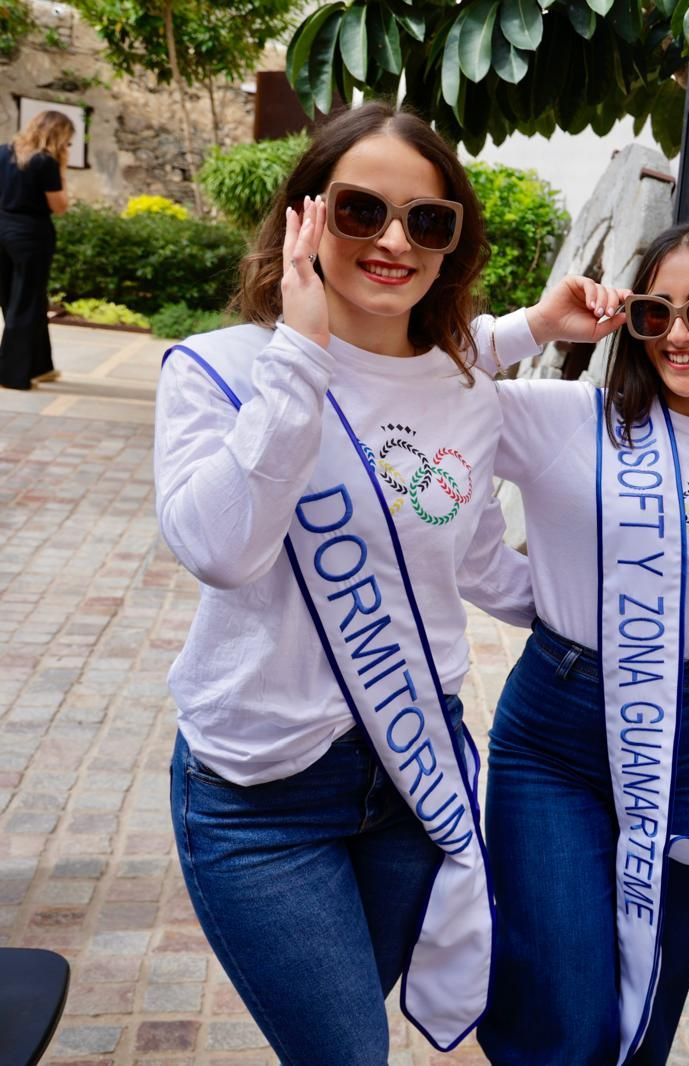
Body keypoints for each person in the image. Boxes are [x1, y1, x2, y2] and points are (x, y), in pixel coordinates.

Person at [154, 102, 610, 1064]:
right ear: (306, 219)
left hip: (412, 779)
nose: (395, 241)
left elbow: (476, 558)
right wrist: (302, 353)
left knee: (339, 1032)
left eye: (428, 221)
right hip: (259, 792)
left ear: (454, 242)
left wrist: (597, 617)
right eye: (362, 212)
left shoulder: (463, 389)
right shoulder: (221, 373)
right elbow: (221, 551)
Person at [476, 222, 689, 1065]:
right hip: (556, 736)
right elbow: (421, 388)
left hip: (686, 741)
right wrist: (536, 328)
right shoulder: (565, 418)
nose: (680, 335)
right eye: (655, 313)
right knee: (567, 1013)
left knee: (642, 1010)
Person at [0, 109, 71, 390]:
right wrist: (62, 169)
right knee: (27, 303)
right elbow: (60, 206)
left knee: (14, 301)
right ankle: (11, 374)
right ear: (57, 134)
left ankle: (40, 366)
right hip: (31, 236)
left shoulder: (3, 152)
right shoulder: (45, 162)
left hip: (1, 231)